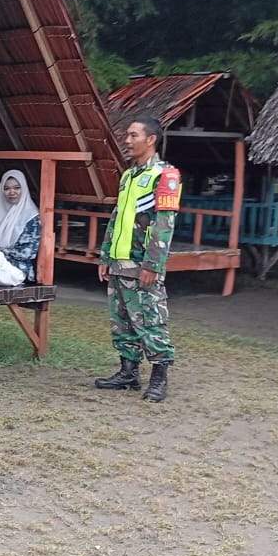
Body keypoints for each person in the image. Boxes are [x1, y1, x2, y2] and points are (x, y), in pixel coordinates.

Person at [94, 116, 181, 402]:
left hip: (142, 263)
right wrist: (105, 255)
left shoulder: (165, 175)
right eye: (127, 136)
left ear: (151, 139)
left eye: (133, 135)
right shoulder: (128, 175)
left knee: (151, 319)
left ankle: (159, 377)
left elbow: (164, 224)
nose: (127, 141)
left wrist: (152, 265)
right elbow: (117, 216)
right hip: (119, 261)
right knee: (121, 320)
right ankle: (128, 372)